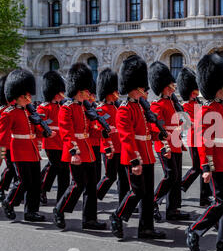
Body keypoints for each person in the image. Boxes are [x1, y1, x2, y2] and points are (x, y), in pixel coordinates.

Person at [186, 54, 223, 251]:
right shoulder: (206, 109)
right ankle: (195, 229)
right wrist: (206, 167)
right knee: (221, 202)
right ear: (217, 87)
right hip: (216, 163)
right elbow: (204, 141)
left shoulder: (222, 106)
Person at [109, 55, 166, 240]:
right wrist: (134, 160)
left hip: (147, 154)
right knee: (137, 191)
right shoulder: (124, 109)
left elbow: (146, 131)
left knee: (148, 195)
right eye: (142, 87)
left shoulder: (140, 108)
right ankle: (118, 216)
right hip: (135, 157)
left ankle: (146, 228)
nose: (145, 90)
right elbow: (126, 138)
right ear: (134, 88)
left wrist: (159, 134)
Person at [52, 63, 106, 231]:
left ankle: (89, 219)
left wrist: (101, 131)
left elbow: (89, 129)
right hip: (76, 151)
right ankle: (59, 209)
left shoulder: (84, 108)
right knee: (78, 184)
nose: (88, 95)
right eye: (85, 92)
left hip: (88, 150)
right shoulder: (66, 108)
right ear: (78, 91)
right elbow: (66, 132)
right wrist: (74, 151)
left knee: (91, 186)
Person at [0, 69, 54, 222]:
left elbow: (35, 129)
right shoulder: (8, 113)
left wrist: (45, 133)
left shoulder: (29, 112)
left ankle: (31, 211)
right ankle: (8, 202)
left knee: (35, 183)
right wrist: (1, 154)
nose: (29, 98)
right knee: (22, 182)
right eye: (26, 95)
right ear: (17, 96)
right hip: (18, 151)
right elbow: (3, 136)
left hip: (31, 150)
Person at [149, 61, 190, 222]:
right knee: (170, 176)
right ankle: (153, 201)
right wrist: (165, 145)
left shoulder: (172, 102)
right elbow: (157, 127)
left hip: (176, 144)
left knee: (176, 177)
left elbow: (175, 122)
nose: (175, 86)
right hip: (165, 144)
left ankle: (173, 209)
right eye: (172, 84)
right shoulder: (158, 104)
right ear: (166, 86)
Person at [178, 67, 213, 207]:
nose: (196, 92)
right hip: (194, 139)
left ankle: (204, 197)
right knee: (196, 168)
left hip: (202, 138)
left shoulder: (198, 103)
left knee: (205, 167)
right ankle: (181, 184)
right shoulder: (185, 105)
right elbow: (188, 122)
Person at [95, 68, 130, 204]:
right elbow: (101, 131)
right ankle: (94, 196)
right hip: (110, 148)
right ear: (108, 92)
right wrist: (107, 148)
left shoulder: (116, 108)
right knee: (110, 176)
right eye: (115, 91)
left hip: (120, 147)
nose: (117, 93)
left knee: (123, 177)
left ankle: (124, 202)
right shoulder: (100, 109)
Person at [37, 71, 70, 205]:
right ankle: (42, 188)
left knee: (63, 171)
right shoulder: (43, 108)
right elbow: (40, 125)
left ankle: (61, 198)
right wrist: (46, 133)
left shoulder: (62, 106)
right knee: (54, 167)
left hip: (62, 143)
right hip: (51, 142)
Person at [0, 75, 17, 202]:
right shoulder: (4, 110)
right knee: (11, 167)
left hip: (15, 142)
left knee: (15, 168)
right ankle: (1, 187)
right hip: (6, 143)